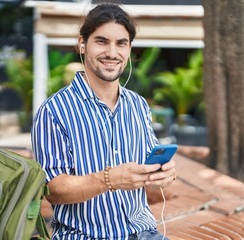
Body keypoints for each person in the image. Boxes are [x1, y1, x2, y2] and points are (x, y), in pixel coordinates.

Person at [31, 3, 177, 240]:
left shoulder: (138, 105)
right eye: (101, 41)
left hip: (144, 234)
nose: (112, 53)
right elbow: (53, 190)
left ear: (129, 49)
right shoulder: (54, 111)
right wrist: (110, 179)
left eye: (121, 43)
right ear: (82, 43)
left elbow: (148, 168)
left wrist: (164, 174)